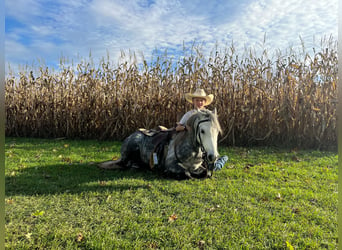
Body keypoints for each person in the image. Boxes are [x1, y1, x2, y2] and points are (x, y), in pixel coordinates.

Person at [176, 88, 228, 171]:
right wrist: (186, 128)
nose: (199, 103)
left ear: (205, 102)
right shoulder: (189, 114)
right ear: (193, 101)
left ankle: (221, 160)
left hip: (205, 145)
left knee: (213, 167)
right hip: (191, 146)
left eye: (201, 100)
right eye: (197, 100)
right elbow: (177, 128)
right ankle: (221, 159)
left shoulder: (210, 114)